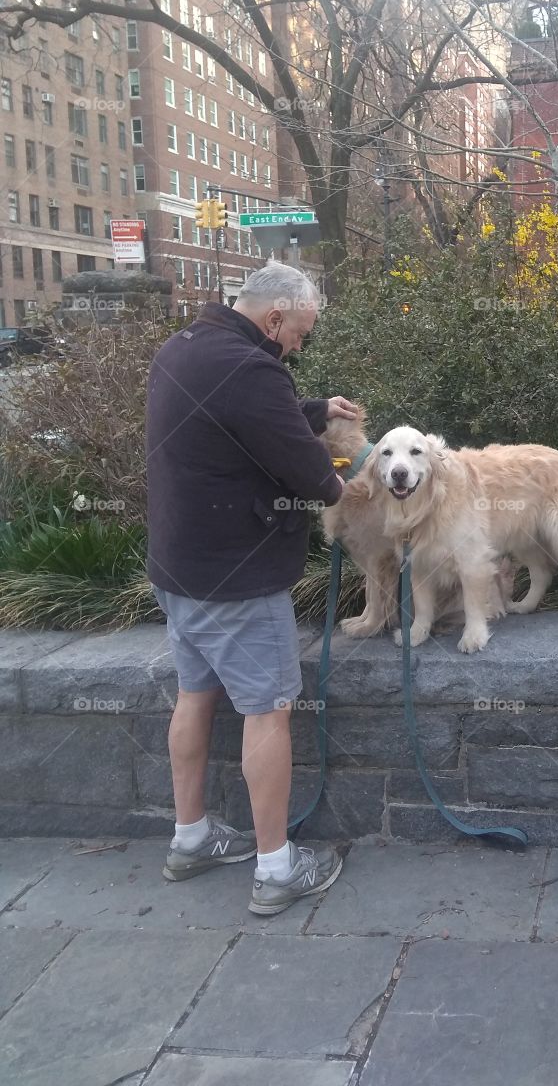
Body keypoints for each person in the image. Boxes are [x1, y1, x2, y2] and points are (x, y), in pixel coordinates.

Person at [145, 263, 358, 916]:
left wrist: (315, 411)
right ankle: (275, 869)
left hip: (180, 570)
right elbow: (319, 481)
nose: (299, 346)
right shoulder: (253, 369)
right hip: (237, 579)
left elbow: (239, 418)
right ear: (273, 320)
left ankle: (192, 837)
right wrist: (357, 489)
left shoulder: (185, 348)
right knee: (268, 711)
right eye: (300, 333)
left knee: (196, 696)